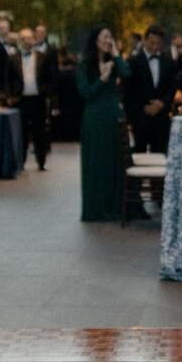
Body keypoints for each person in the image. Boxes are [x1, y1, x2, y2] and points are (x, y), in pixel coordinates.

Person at [77, 25, 130, 222]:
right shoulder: (84, 65)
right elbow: (86, 93)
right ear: (95, 40)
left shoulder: (113, 62)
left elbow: (127, 74)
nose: (108, 41)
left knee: (114, 161)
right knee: (96, 162)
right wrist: (103, 78)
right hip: (94, 117)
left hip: (113, 115)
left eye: (110, 37)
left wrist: (116, 55)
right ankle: (95, 208)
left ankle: (115, 206)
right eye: (105, 37)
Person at [124, 25, 177, 153]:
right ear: (144, 41)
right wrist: (141, 109)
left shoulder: (168, 62)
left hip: (162, 117)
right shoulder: (133, 61)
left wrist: (162, 103)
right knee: (139, 153)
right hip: (140, 116)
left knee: (161, 153)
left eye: (158, 44)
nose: (154, 47)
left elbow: (172, 86)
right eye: (151, 43)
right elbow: (128, 90)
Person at [15, 27, 55, 171]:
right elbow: (9, 79)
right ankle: (22, 162)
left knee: (40, 132)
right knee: (22, 133)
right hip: (21, 100)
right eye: (25, 38)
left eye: (31, 37)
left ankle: (41, 161)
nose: (29, 40)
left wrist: (47, 92)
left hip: (38, 99)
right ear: (20, 41)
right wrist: (10, 96)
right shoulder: (13, 58)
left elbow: (51, 77)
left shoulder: (42, 56)